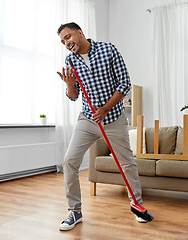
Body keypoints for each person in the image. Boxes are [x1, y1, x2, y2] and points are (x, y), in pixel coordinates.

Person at [56, 22, 146, 231]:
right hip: (87, 119)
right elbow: (74, 96)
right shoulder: (71, 60)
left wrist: (105, 108)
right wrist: (70, 86)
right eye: (63, 41)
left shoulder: (108, 49)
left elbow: (124, 83)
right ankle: (74, 211)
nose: (66, 43)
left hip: (112, 118)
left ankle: (137, 204)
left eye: (68, 37)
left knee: (126, 162)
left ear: (80, 33)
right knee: (69, 161)